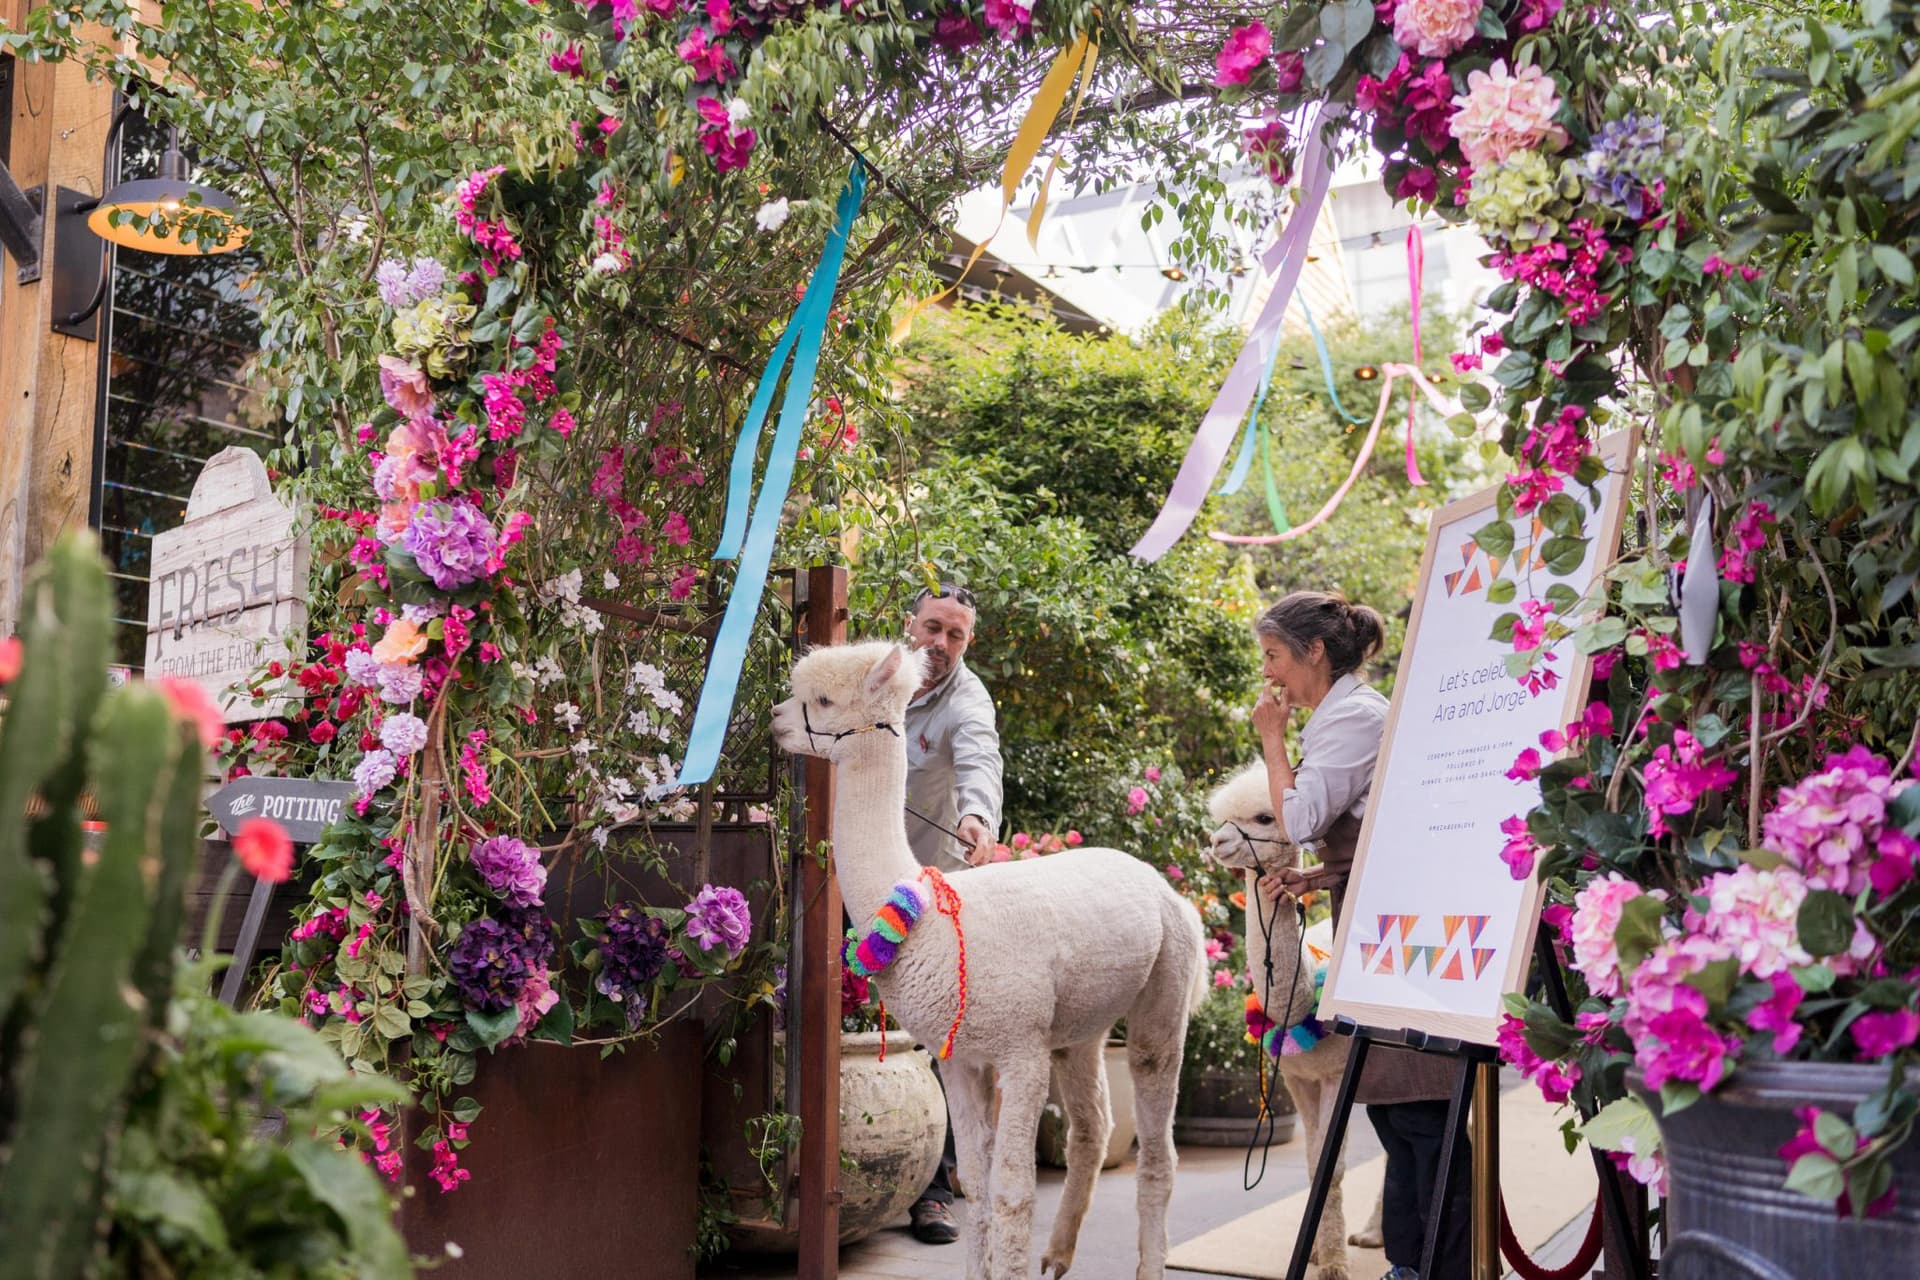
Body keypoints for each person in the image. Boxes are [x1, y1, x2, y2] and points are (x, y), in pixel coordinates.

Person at [1251, 590, 1468, 1280]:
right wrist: (1320, 877)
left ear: (1314, 651)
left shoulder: (1352, 719)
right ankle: (1411, 1262)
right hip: (1376, 920)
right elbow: (1372, 831)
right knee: (1393, 1110)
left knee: (1419, 1109)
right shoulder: (1340, 718)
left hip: (1405, 932)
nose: (1268, 672)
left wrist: (1272, 740)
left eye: (1274, 656)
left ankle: (1435, 1265)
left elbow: (1302, 818)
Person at [900, 582, 1003, 1245]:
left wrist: (977, 818)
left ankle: (933, 1194)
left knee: (931, 1033)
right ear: (910, 624)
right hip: (847, 875)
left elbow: (979, 760)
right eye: (933, 627)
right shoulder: (879, 673)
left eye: (955, 634)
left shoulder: (968, 701)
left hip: (926, 894)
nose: (940, 643)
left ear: (968, 641)